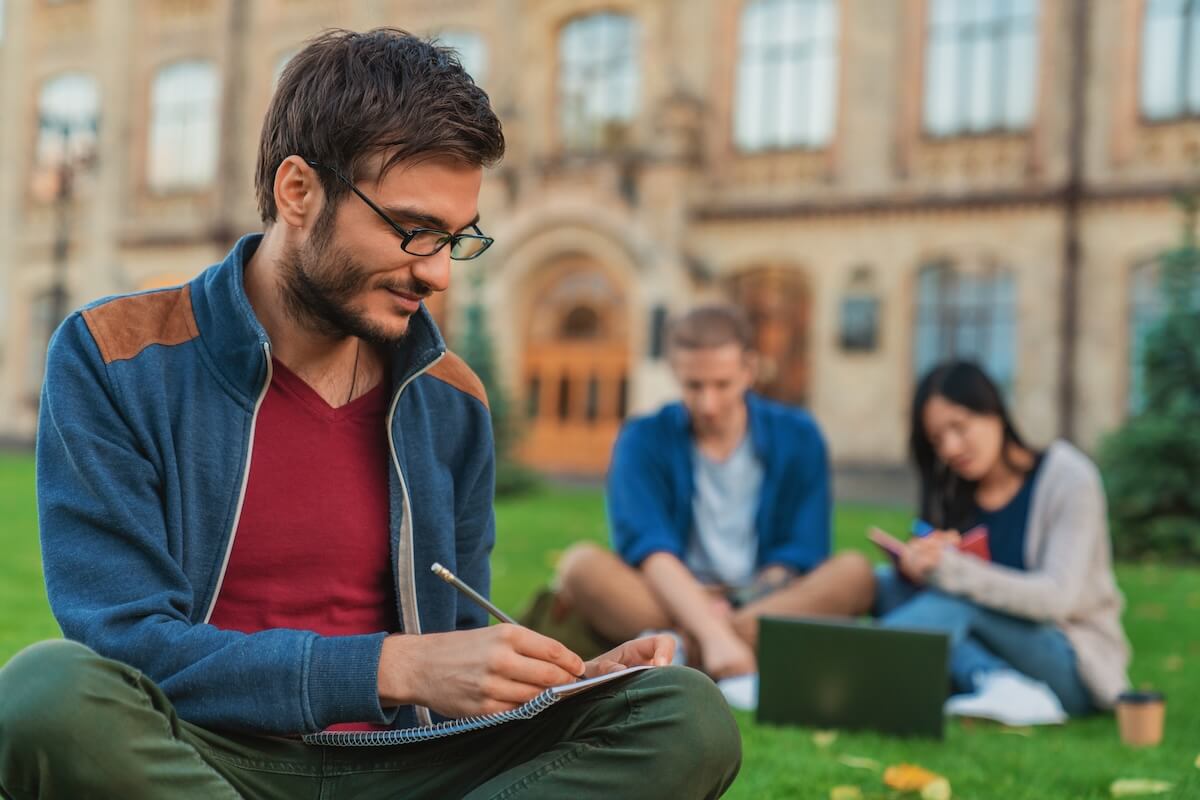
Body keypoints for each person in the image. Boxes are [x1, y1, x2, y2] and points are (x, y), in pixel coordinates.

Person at [0, 29, 740, 799]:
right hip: (200, 755)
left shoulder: (450, 400)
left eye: (457, 240)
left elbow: (454, 658)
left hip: (408, 769)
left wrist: (560, 684)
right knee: (48, 694)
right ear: (298, 192)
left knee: (681, 713)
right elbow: (128, 646)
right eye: (414, 230)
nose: (438, 273)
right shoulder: (114, 356)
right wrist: (390, 665)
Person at [554, 306, 875, 680]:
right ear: (675, 372)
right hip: (668, 597)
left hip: (762, 600)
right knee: (580, 566)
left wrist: (731, 610)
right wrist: (708, 622)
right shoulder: (642, 437)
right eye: (694, 386)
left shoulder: (799, 435)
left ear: (749, 370)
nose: (708, 404)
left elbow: (800, 552)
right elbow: (649, 549)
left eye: (722, 385)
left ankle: (674, 651)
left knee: (856, 573)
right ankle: (727, 651)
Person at [874, 361, 1131, 721]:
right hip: (995, 645)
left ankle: (856, 674)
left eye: (959, 428)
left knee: (961, 601)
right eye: (937, 439)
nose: (950, 448)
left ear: (993, 411)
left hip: (1071, 660)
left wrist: (952, 570)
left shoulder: (1070, 479)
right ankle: (996, 682)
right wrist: (925, 563)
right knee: (885, 583)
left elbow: (1056, 598)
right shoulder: (956, 488)